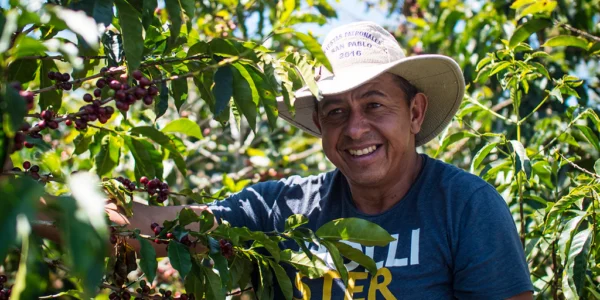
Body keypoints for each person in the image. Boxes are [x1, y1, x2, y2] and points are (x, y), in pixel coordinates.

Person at [110, 21, 533, 299]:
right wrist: (62, 206)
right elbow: (163, 227)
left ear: (416, 113)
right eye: (336, 112)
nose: (354, 129)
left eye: (374, 105)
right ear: (319, 124)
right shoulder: (282, 209)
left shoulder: (465, 207)